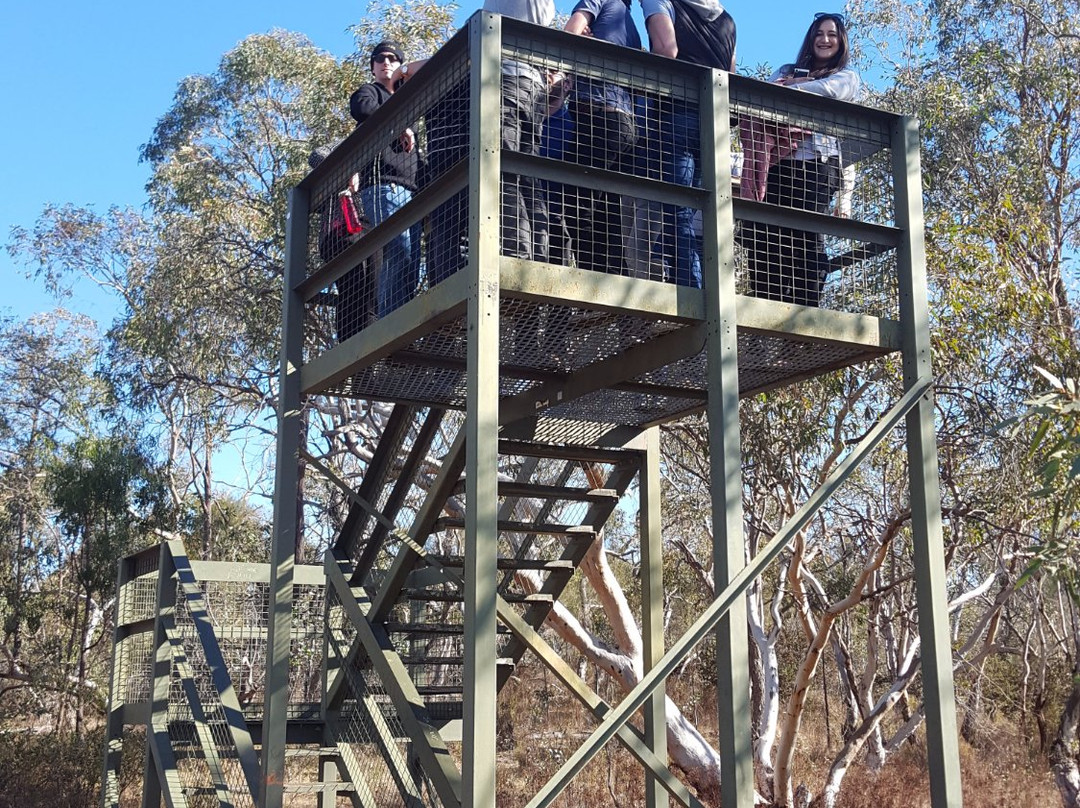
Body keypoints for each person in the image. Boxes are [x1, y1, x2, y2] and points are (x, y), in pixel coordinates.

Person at [740, 12, 860, 307]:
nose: (825, 39)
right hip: (780, 164)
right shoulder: (786, 68)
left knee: (806, 237)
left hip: (818, 166)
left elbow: (831, 91)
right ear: (810, 39)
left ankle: (807, 312)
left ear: (840, 42)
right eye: (819, 34)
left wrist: (792, 85)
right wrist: (794, 81)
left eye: (831, 34)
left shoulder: (846, 76)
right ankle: (768, 309)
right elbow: (765, 96)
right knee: (766, 236)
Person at [640, 0, 736, 288]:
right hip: (714, 125)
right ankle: (704, 288)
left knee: (678, 209)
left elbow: (665, 49)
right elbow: (731, 74)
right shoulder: (728, 19)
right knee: (699, 209)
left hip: (677, 115)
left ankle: (690, 291)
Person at [561, 0, 641, 275]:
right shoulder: (630, 25)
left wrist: (578, 42)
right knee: (609, 215)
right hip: (625, 124)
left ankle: (590, 287)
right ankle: (615, 290)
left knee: (575, 204)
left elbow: (568, 35)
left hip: (597, 117)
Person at [349, 41, 422, 319]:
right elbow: (362, 109)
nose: (386, 62)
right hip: (382, 185)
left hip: (411, 191)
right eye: (380, 58)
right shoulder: (370, 93)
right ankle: (392, 322)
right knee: (398, 250)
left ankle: (403, 319)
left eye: (393, 58)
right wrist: (399, 125)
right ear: (373, 66)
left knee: (412, 259)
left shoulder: (409, 100)